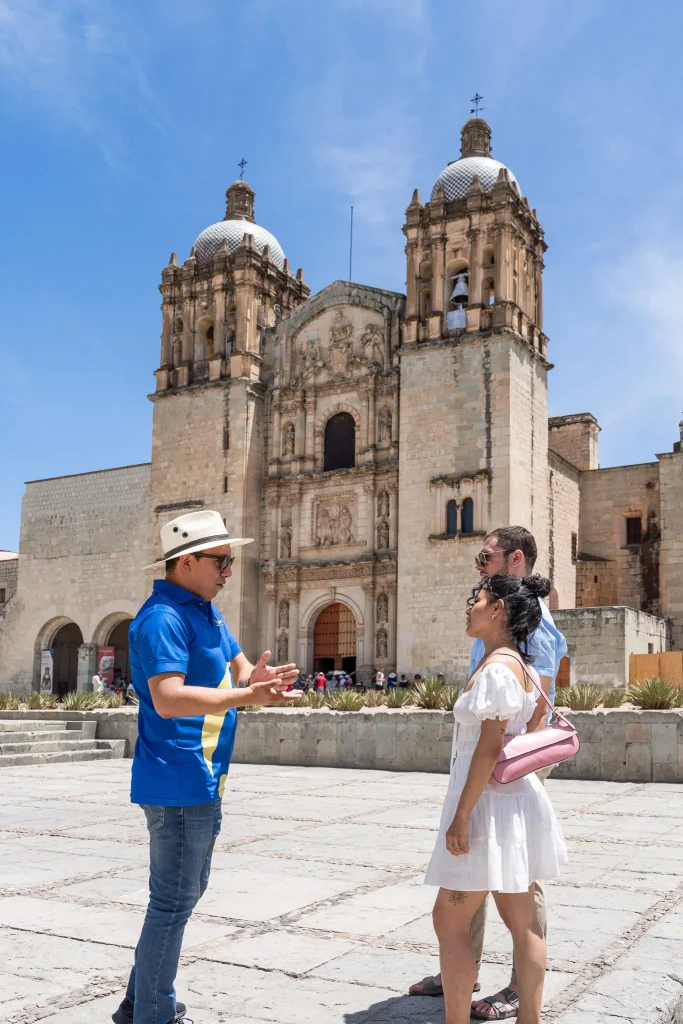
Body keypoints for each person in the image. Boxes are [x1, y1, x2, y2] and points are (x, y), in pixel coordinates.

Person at [111, 510, 300, 1024]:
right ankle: (154, 1013)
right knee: (172, 902)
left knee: (180, 896)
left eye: (231, 561)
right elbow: (168, 698)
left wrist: (258, 679)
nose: (229, 571)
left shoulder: (206, 611)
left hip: (203, 776)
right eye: (221, 561)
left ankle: (139, 1001)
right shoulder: (162, 618)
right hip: (176, 777)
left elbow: (239, 668)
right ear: (186, 561)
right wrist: (247, 691)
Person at [409, 525, 567, 1020]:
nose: (469, 601)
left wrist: (461, 814)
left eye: (476, 596)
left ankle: (463, 1006)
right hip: (509, 797)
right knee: (523, 923)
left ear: (499, 608)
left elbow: (491, 745)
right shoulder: (513, 658)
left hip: (488, 803)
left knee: (447, 917)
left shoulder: (503, 663)